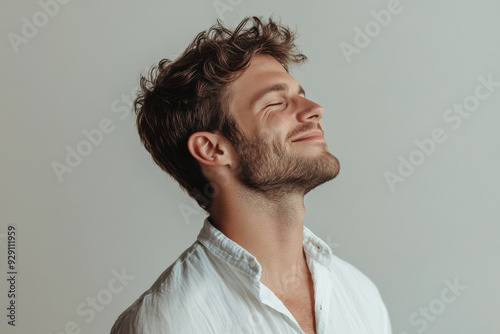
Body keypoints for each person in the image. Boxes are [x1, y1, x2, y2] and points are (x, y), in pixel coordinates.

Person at [110, 16, 392, 334]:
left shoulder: (358, 293)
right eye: (275, 103)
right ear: (213, 150)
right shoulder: (171, 321)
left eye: (300, 94)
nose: (314, 109)